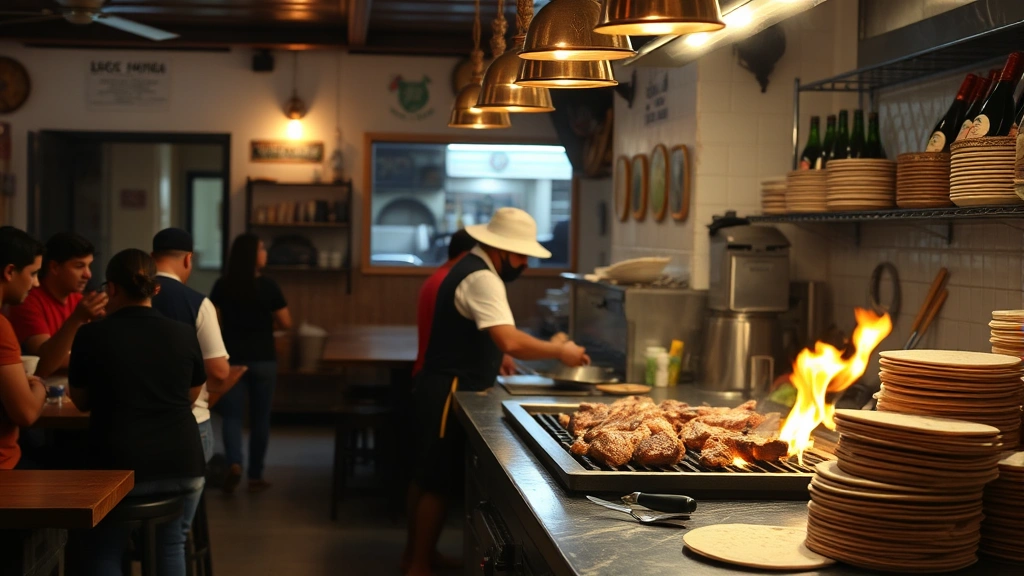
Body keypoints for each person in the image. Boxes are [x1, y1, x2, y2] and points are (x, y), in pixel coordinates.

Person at [403, 208, 590, 576]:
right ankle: (418, 566)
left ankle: (417, 556)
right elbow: (508, 337)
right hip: (448, 390)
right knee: (436, 483)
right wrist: (561, 351)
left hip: (437, 385)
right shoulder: (483, 278)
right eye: (520, 255)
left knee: (424, 477)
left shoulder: (472, 268)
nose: (524, 264)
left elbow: (486, 334)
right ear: (499, 249)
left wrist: (496, 353)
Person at [68, 249, 206, 576]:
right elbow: (190, 395)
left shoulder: (91, 335)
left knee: (103, 547)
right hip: (183, 464)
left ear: (111, 289)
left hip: (118, 470)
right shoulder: (183, 334)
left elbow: (81, 401)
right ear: (155, 289)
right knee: (171, 545)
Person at [150, 228, 246, 463]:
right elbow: (219, 371)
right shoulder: (197, 303)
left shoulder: (126, 297)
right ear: (188, 259)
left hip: (131, 419)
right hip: (187, 420)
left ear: (151, 257)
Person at [210, 234, 292, 493]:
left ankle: (234, 464)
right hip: (263, 359)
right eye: (261, 248)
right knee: (260, 418)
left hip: (231, 359)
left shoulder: (222, 285)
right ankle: (256, 475)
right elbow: (286, 323)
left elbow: (213, 320)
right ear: (252, 255)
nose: (265, 253)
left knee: (232, 417)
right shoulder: (268, 286)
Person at [6, 232, 107, 378]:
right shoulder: (27, 301)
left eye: (89, 266)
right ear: (54, 267)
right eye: (79, 266)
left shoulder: (78, 300)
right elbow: (45, 364)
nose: (88, 275)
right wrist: (77, 319)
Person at [0, 226, 46, 470]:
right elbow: (26, 414)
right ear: (9, 271)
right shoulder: (1, 327)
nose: (36, 283)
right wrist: (39, 386)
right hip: (5, 468)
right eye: (33, 273)